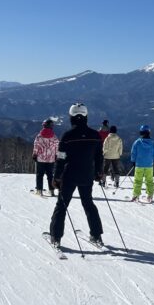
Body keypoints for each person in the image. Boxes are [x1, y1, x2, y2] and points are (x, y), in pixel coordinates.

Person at [49, 103, 104, 247]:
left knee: (61, 206)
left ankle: (55, 237)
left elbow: (61, 158)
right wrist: (99, 171)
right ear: (86, 116)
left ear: (71, 117)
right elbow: (99, 156)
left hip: (69, 176)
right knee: (88, 204)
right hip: (87, 175)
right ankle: (96, 235)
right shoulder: (95, 135)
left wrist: (56, 177)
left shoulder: (67, 136)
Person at [130, 125, 154, 203]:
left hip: (139, 164)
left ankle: (136, 195)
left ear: (141, 132)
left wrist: (133, 161)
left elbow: (133, 153)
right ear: (149, 132)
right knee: (149, 180)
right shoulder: (153, 143)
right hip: (149, 165)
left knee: (138, 181)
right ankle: (150, 196)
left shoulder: (137, 142)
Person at [32, 119, 59, 196]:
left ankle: (39, 190)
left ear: (44, 125)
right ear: (51, 127)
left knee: (39, 175)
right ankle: (51, 191)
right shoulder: (54, 137)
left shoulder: (39, 136)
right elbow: (57, 147)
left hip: (41, 159)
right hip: (51, 159)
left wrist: (34, 155)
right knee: (50, 175)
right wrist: (56, 156)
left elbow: (36, 146)